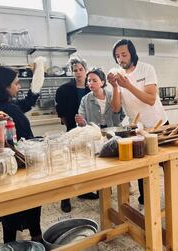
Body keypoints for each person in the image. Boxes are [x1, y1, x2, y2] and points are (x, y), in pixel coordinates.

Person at [0, 65, 43, 243]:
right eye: (16, 83)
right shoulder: (8, 110)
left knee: (9, 215)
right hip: (20, 168)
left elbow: (22, 105)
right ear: (5, 87)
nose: (19, 86)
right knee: (28, 207)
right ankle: (36, 241)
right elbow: (25, 140)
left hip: (4, 169)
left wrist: (34, 90)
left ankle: (10, 245)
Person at [107, 39, 168, 209]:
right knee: (143, 166)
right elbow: (116, 107)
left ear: (132, 53)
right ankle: (144, 202)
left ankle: (172, 192)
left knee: (167, 163)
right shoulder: (117, 74)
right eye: (117, 56)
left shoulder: (146, 69)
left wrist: (128, 85)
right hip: (139, 129)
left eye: (124, 54)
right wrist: (115, 87)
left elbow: (150, 99)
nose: (121, 59)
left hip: (158, 125)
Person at [55, 57, 98, 213]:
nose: (78, 73)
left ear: (85, 70)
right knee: (69, 164)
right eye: (75, 70)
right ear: (71, 72)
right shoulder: (64, 90)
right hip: (73, 132)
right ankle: (64, 198)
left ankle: (84, 191)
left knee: (85, 163)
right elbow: (61, 112)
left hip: (89, 132)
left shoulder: (91, 88)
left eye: (81, 69)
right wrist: (70, 127)